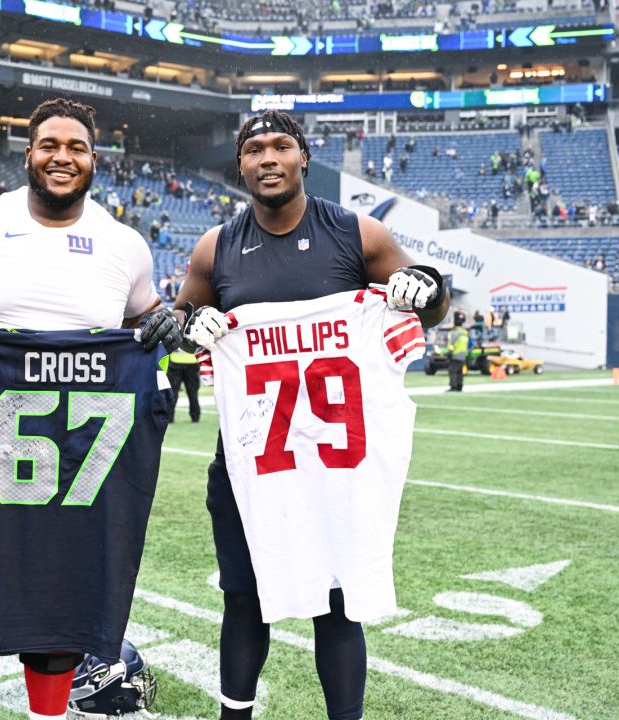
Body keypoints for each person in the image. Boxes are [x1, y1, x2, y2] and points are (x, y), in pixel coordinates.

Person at [0, 98, 181, 720]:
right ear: (28, 154)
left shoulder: (124, 243)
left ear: (94, 159)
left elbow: (144, 316)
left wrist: (163, 321)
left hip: (86, 463)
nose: (62, 157)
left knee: (63, 606)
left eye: (76, 147)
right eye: (49, 144)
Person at [170, 110, 449, 720]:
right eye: (254, 149)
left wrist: (422, 288)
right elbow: (175, 329)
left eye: (281, 146)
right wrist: (194, 326)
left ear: (303, 156)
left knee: (338, 602)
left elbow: (429, 300)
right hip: (254, 459)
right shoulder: (216, 246)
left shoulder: (357, 233)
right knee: (244, 599)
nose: (267, 158)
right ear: (239, 164)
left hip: (333, 461)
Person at [165, 348, 201, 423]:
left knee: (173, 392)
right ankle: (195, 418)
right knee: (193, 392)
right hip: (192, 360)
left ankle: (170, 418)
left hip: (175, 361)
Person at [447, 310, 469, 392]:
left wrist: (449, 352)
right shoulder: (465, 332)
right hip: (463, 355)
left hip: (455, 354)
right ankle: (460, 386)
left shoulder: (455, 332)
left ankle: (453, 387)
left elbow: (452, 343)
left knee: (452, 371)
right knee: (460, 372)